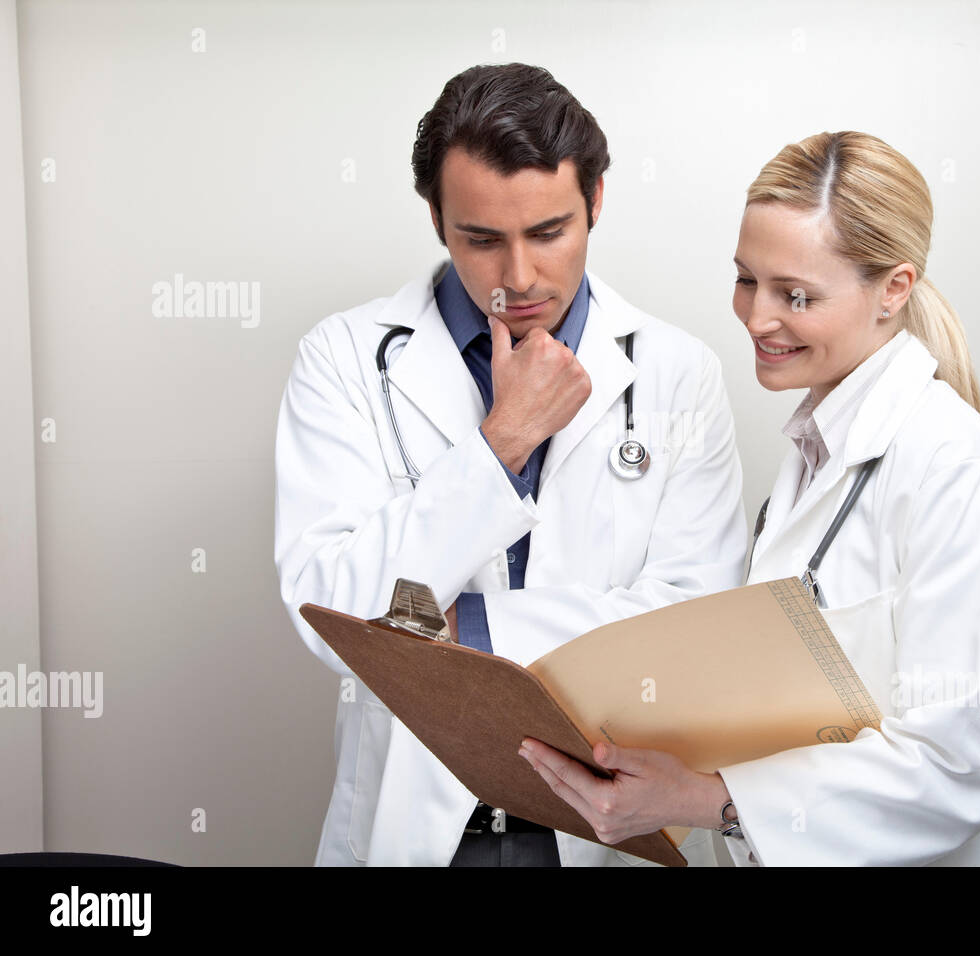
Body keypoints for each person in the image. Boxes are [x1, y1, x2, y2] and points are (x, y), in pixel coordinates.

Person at [520, 130, 980, 866]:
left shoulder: (960, 475)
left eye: (797, 295)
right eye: (747, 280)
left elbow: (959, 769)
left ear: (895, 290)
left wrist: (701, 798)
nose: (756, 318)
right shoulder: (813, 459)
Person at [273, 63, 746, 867]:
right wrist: (500, 449)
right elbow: (335, 619)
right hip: (414, 825)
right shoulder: (343, 359)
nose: (519, 278)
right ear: (436, 218)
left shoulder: (678, 372)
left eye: (549, 232)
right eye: (482, 240)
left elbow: (690, 630)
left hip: (602, 829)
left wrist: (467, 633)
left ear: (596, 201)